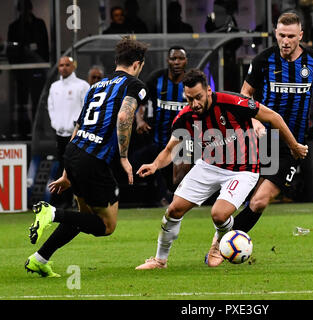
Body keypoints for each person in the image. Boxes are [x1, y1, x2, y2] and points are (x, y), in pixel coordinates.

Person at [134, 69, 308, 269]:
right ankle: (159, 260)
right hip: (209, 166)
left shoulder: (233, 102)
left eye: (198, 97)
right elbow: (170, 150)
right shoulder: (185, 117)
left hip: (243, 169)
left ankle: (218, 246)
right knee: (174, 209)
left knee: (219, 214)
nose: (195, 104)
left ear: (209, 90)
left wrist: (294, 146)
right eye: (189, 99)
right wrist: (155, 164)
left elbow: (273, 117)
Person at [24, 38, 149, 277]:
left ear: (115, 62)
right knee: (106, 226)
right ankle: (51, 213)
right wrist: (124, 157)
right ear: (137, 64)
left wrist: (66, 173)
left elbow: (78, 126)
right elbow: (124, 117)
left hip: (74, 152)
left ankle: (39, 259)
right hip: (94, 159)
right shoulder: (134, 84)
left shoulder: (96, 86)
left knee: (84, 217)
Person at [222, 12, 313, 263]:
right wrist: (256, 121)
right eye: (281, 35)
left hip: (294, 144)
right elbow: (245, 95)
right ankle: (222, 242)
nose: (285, 41)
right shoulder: (263, 60)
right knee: (247, 199)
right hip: (263, 139)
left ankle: (220, 245)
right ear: (275, 34)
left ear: (301, 36)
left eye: (291, 36)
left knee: (260, 201)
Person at [132, 46, 190, 205]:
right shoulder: (155, 79)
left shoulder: (191, 81)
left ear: (186, 61)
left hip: (186, 139)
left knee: (179, 176)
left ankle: (179, 200)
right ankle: (164, 197)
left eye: (180, 58)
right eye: (173, 58)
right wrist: (140, 120)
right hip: (160, 138)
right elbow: (140, 103)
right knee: (166, 177)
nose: (176, 62)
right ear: (168, 61)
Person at [47, 56, 90, 208]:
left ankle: (80, 199)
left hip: (76, 135)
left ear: (73, 67)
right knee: (62, 166)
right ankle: (64, 200)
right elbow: (50, 107)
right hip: (60, 134)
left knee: (77, 167)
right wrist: (55, 123)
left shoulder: (82, 85)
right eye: (61, 65)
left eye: (67, 65)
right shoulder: (54, 87)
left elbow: (87, 108)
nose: (63, 68)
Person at [7, 0, 49, 137]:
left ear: (31, 9)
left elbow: (45, 47)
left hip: (38, 69)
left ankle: (39, 131)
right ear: (19, 10)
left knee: (38, 101)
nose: (25, 12)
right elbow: (11, 49)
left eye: (27, 8)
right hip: (22, 71)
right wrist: (15, 68)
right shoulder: (14, 27)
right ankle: (23, 131)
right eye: (22, 9)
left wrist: (44, 66)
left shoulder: (39, 24)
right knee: (22, 104)